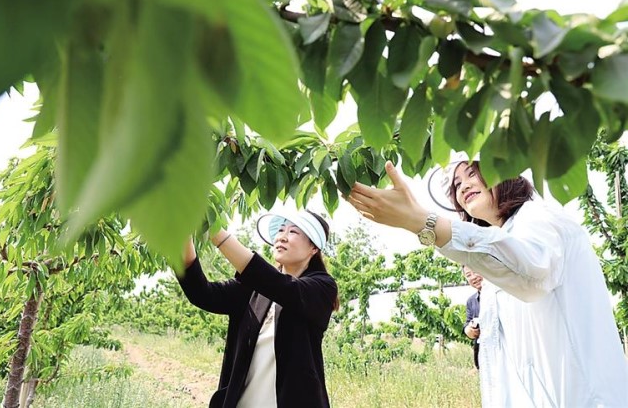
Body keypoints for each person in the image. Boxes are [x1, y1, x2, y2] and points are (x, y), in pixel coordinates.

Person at [348, 160, 628, 407]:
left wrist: (424, 223)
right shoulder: (504, 242)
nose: (463, 186)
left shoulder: (537, 216)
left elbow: (532, 273)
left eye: (472, 174)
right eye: (457, 184)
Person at [178, 209, 338, 408]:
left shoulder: (321, 287)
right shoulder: (253, 289)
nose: (282, 237)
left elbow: (281, 287)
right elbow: (203, 294)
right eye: (281, 230)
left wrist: (213, 228)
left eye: (293, 232)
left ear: (314, 248)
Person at [462, 265, 482, 369]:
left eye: (476, 271)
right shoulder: (471, 301)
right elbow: (468, 322)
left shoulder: (502, 295)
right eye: (468, 275)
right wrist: (468, 330)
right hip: (481, 352)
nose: (473, 277)